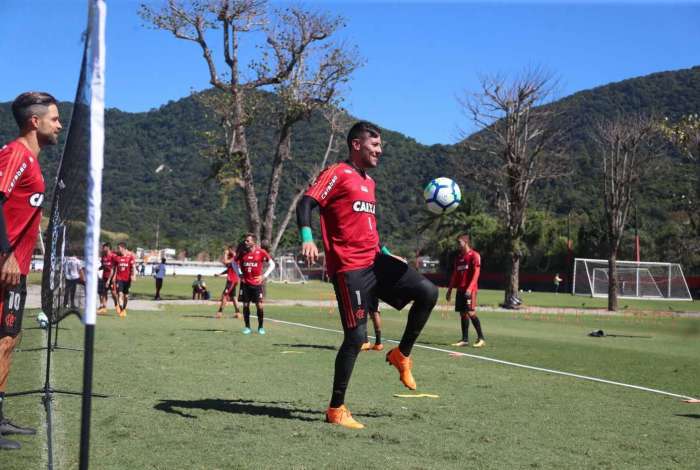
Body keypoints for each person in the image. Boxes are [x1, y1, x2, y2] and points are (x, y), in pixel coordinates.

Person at [297, 121, 438, 429]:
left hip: (376, 260)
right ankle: (336, 408)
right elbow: (306, 202)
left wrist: (386, 253)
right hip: (350, 269)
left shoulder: (369, 182)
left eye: (381, 146)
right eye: (375, 145)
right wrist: (308, 237)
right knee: (356, 337)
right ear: (356, 145)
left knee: (428, 292)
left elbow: (367, 228)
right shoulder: (336, 173)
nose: (380, 150)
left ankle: (401, 354)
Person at [0, 92, 61, 450]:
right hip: (5, 265)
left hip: (16, 270)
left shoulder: (34, 163)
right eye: (54, 118)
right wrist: (5, 253)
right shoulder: (15, 155)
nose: (59, 125)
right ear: (33, 122)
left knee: (7, 340)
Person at [446, 234, 485, 348]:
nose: (458, 245)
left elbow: (476, 274)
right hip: (460, 289)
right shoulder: (458, 258)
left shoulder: (474, 255)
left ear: (466, 242)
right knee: (463, 313)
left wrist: (470, 288)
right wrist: (450, 290)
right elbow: (455, 275)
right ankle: (465, 339)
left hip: (470, 290)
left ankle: (481, 338)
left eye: (459, 242)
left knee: (471, 312)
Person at [236, 234, 275, 334]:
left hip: (257, 284)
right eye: (245, 241)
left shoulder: (261, 252)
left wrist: (264, 276)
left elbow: (272, 264)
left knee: (260, 306)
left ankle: (261, 327)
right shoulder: (242, 253)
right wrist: (239, 273)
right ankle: (247, 327)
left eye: (247, 241)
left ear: (253, 242)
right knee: (245, 305)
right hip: (245, 284)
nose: (245, 242)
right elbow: (233, 263)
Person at [214, 245, 241, 319]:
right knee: (234, 297)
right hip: (233, 280)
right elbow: (228, 269)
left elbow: (225, 261)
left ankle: (219, 313)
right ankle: (238, 313)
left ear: (232, 250)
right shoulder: (233, 258)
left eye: (229, 250)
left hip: (232, 280)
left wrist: (226, 254)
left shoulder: (235, 258)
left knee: (224, 296)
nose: (228, 252)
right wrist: (220, 274)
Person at [110, 242, 135, 318]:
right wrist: (112, 278)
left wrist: (133, 275)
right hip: (119, 279)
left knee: (126, 296)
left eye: (119, 248)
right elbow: (113, 269)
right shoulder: (116, 257)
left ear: (123, 248)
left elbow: (133, 267)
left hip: (127, 280)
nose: (118, 249)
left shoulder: (130, 257)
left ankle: (124, 309)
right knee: (120, 294)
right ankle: (121, 310)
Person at [98, 242, 117, 314]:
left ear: (108, 247)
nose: (102, 249)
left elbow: (113, 269)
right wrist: (98, 268)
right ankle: (104, 308)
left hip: (111, 278)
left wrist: (110, 280)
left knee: (113, 293)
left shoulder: (113, 256)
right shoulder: (103, 256)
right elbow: (103, 266)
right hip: (104, 277)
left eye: (104, 247)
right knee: (104, 292)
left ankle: (117, 305)